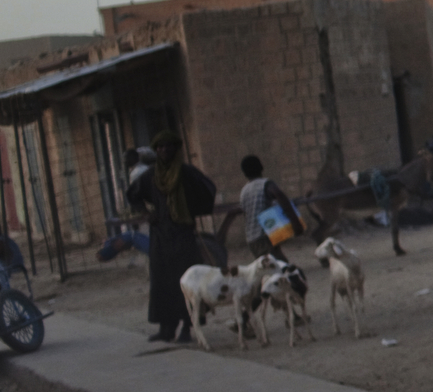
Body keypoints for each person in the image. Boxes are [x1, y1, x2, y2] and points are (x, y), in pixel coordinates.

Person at [126, 129, 217, 343]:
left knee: (187, 283)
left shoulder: (186, 173)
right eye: (160, 147)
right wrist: (147, 214)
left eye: (169, 146)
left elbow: (208, 190)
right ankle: (166, 329)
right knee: (162, 283)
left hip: (183, 235)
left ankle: (188, 327)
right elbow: (132, 195)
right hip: (161, 237)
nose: (165, 150)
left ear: (176, 149)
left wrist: (191, 208)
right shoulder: (150, 176)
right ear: (156, 150)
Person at [239, 155, 305, 261]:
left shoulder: (244, 191)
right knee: (282, 267)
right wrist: (295, 222)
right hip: (264, 236)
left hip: (251, 239)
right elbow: (280, 196)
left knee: (271, 269)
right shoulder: (265, 184)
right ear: (261, 167)